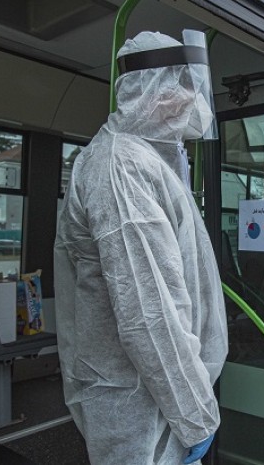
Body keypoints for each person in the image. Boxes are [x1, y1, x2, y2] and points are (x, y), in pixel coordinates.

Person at [54, 31, 228, 464]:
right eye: (179, 88)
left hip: (158, 396)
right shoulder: (121, 168)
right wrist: (197, 418)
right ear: (144, 90)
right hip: (138, 403)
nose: (190, 102)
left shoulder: (145, 159)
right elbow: (151, 317)